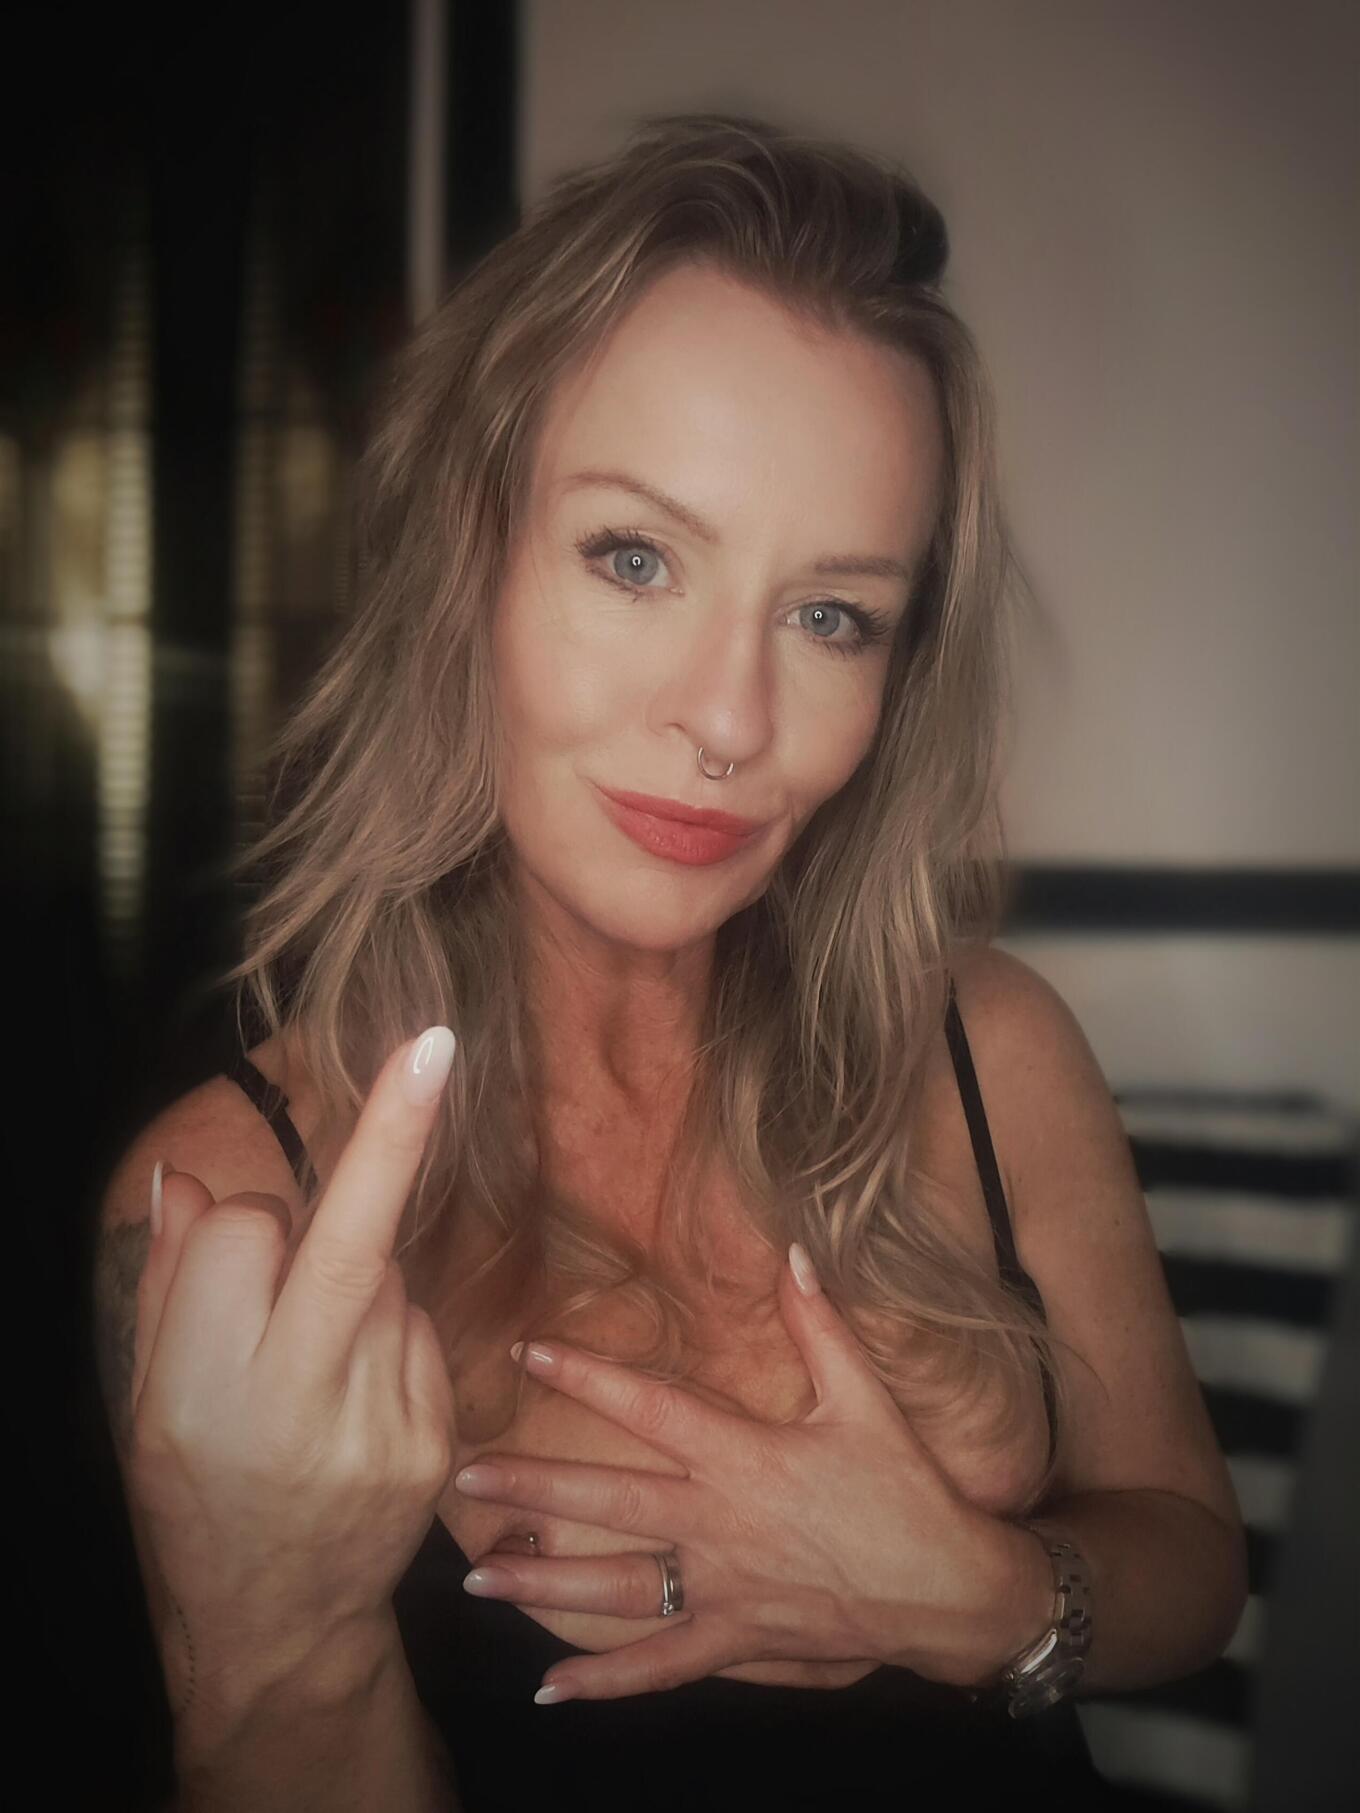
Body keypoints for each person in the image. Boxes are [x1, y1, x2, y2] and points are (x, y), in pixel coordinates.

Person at [93, 112, 1247, 1811]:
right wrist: (287, 1632)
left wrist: (979, 1591)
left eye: (831, 615)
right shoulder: (227, 1209)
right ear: (467, 561)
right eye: (634, 558)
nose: (728, 717)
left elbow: (1194, 1563)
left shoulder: (992, 1048)